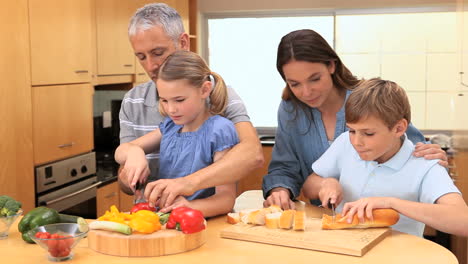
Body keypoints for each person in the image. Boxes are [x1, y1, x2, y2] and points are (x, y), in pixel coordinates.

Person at [262, 29, 448, 210]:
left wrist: (430, 157)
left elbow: (411, 151)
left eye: (315, 79)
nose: (306, 92)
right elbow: (285, 166)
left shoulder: (365, 99)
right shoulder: (290, 109)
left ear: (331, 66)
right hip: (326, 220)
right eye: (294, 84)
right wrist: (280, 189)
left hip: (387, 221)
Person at [119, 3, 263, 209]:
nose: (151, 66)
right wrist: (132, 161)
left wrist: (186, 186)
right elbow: (123, 178)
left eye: (158, 52)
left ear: (183, 42)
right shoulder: (133, 102)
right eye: (141, 57)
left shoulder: (222, 100)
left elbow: (252, 155)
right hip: (152, 217)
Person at [302, 78, 468, 237]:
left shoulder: (424, 162)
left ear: (398, 128)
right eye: (352, 130)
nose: (356, 142)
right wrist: (326, 183)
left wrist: (391, 203)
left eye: (368, 133)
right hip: (344, 248)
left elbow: (463, 222)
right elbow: (309, 185)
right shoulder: (345, 142)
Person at [116, 50, 238, 217]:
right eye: (164, 100)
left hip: (201, 224)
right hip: (167, 222)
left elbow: (226, 199)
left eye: (179, 100)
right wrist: (134, 152)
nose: (171, 109)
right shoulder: (170, 126)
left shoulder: (220, 130)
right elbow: (120, 152)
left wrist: (189, 206)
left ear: (204, 90)